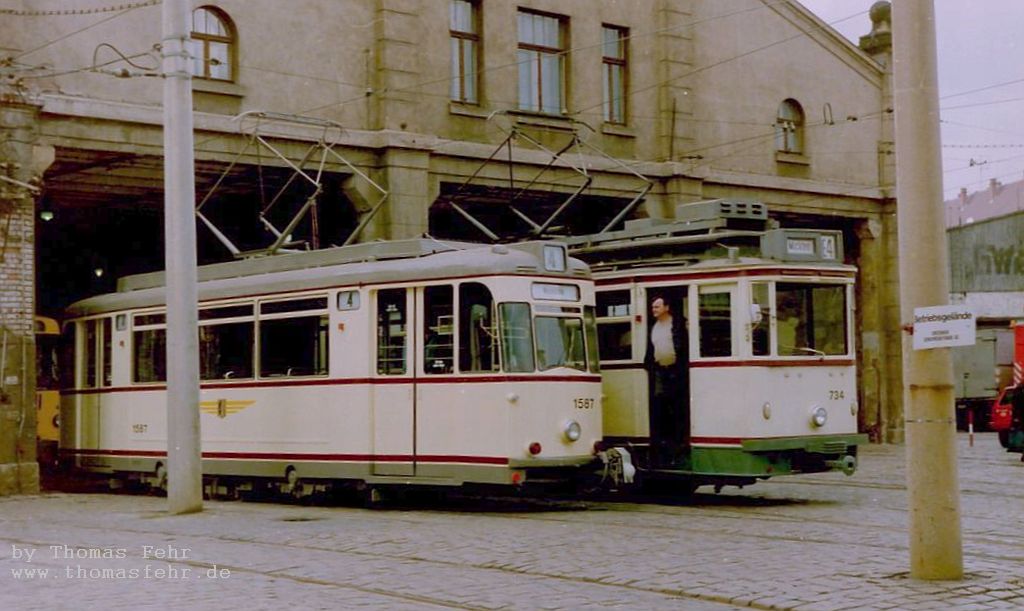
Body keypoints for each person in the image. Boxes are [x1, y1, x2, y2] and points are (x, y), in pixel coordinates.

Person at [644, 295, 690, 467]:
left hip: (675, 371)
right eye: (653, 307)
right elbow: (651, 348)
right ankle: (663, 445)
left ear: (667, 308)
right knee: (660, 406)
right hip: (659, 371)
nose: (654, 309)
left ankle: (678, 444)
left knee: (677, 407)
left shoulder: (676, 324)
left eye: (657, 306)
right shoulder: (653, 326)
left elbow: (682, 346)